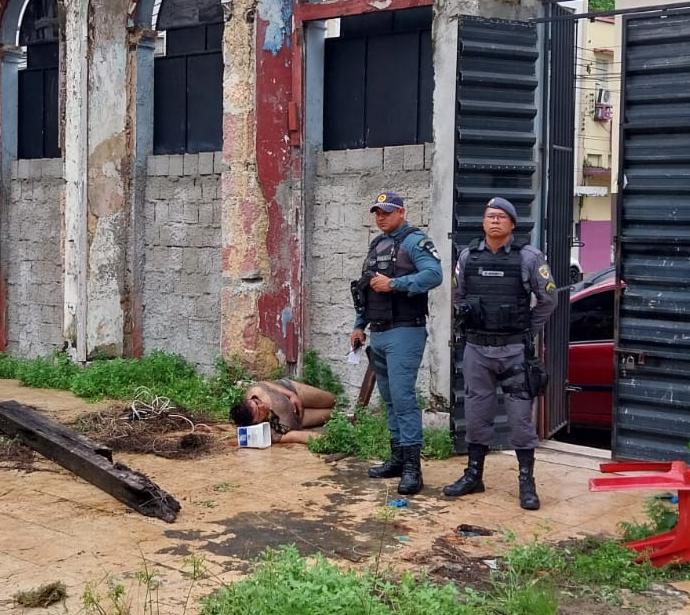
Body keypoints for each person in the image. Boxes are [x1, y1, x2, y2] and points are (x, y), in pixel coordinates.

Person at [445, 196, 558, 510]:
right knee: (476, 416)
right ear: (483, 222)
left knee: (521, 421)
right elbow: (458, 296)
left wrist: (526, 332)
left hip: (514, 353)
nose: (494, 220)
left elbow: (548, 301)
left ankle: (527, 483)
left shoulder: (529, 258)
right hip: (477, 350)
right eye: (489, 216)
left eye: (500, 216)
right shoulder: (468, 256)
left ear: (511, 223)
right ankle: (473, 475)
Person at [350, 191, 443, 494]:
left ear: (402, 212)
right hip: (378, 332)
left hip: (405, 331)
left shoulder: (414, 242)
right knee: (389, 399)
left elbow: (434, 275)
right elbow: (365, 290)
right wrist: (358, 326)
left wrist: (395, 283)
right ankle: (397, 459)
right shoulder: (377, 244)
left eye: (387, 212)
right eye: (377, 212)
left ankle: (413, 469)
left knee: (403, 399)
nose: (381, 217)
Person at [228, 378, 337, 445]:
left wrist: (292, 395)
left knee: (332, 400)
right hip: (299, 419)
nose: (262, 406)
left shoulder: (256, 390)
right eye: (259, 412)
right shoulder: (268, 433)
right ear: (255, 424)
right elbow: (296, 436)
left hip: (293, 392)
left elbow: (267, 384)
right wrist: (325, 441)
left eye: (256, 402)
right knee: (334, 414)